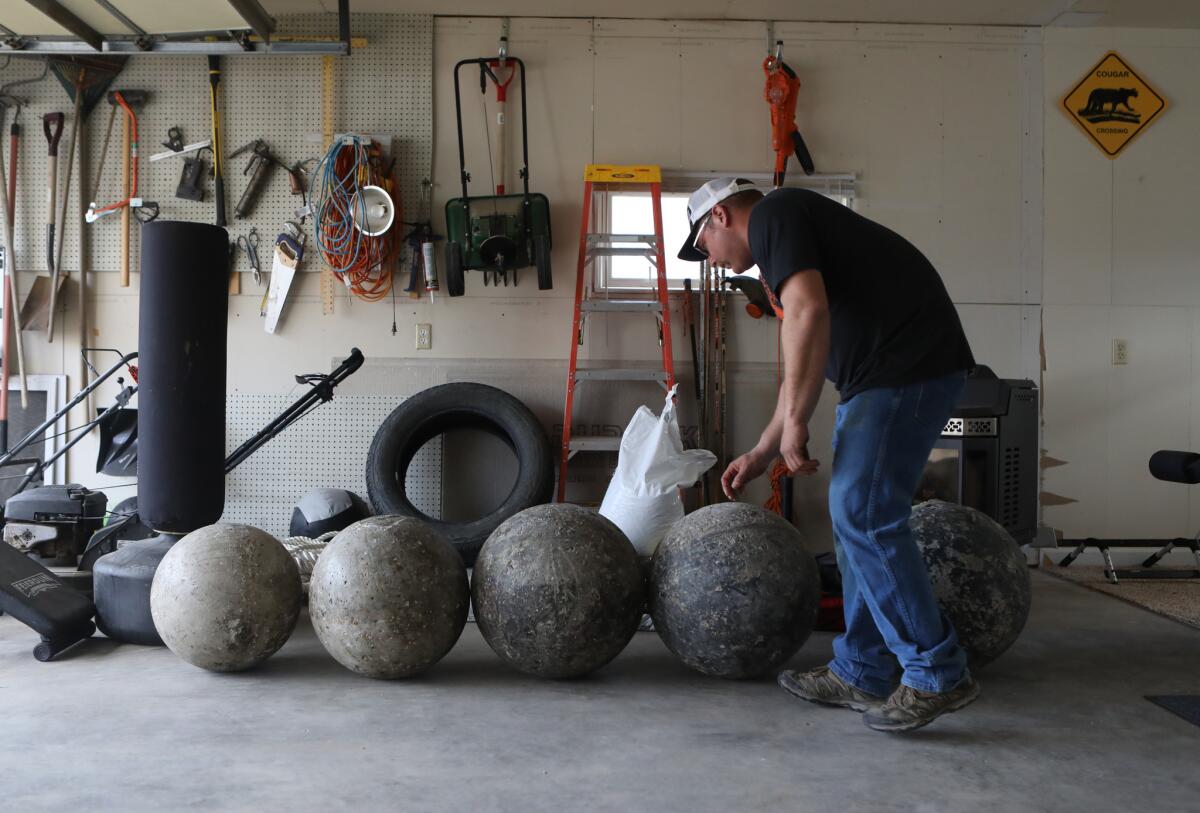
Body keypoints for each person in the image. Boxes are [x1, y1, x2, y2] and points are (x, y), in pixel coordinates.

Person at [677, 177, 980, 733]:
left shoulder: (775, 214)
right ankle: (862, 669)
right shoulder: (786, 235)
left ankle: (937, 671)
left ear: (718, 216)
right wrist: (768, 446)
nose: (712, 261)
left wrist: (795, 424)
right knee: (853, 523)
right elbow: (804, 337)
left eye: (701, 246)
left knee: (865, 515)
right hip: (885, 376)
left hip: (906, 369)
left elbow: (808, 313)